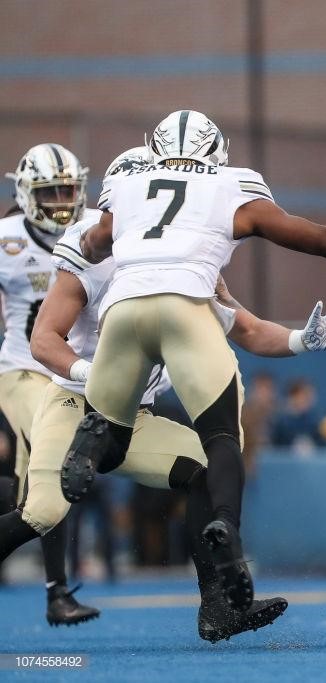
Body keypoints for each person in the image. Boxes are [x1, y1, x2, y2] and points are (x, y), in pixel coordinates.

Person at [65, 112, 326, 613]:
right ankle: (226, 533)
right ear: (218, 152)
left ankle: (87, 443)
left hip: (121, 311)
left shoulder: (127, 183)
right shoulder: (232, 185)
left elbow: (91, 242)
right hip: (185, 307)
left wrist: (107, 237)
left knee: (111, 434)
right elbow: (325, 240)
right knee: (221, 441)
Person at [0, 145, 326, 640]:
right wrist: (98, 376)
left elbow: (246, 328)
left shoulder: (182, 253)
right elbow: (43, 340)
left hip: (138, 417)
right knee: (44, 511)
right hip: (76, 404)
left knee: (206, 470)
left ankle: (217, 609)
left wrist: (303, 339)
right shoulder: (86, 252)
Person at [0, 143, 99, 624]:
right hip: (21, 369)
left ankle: (56, 592)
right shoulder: (6, 239)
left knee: (27, 492)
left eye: (68, 189)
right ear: (25, 193)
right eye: (50, 190)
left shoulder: (97, 228)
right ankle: (57, 592)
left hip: (76, 376)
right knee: (57, 462)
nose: (62, 199)